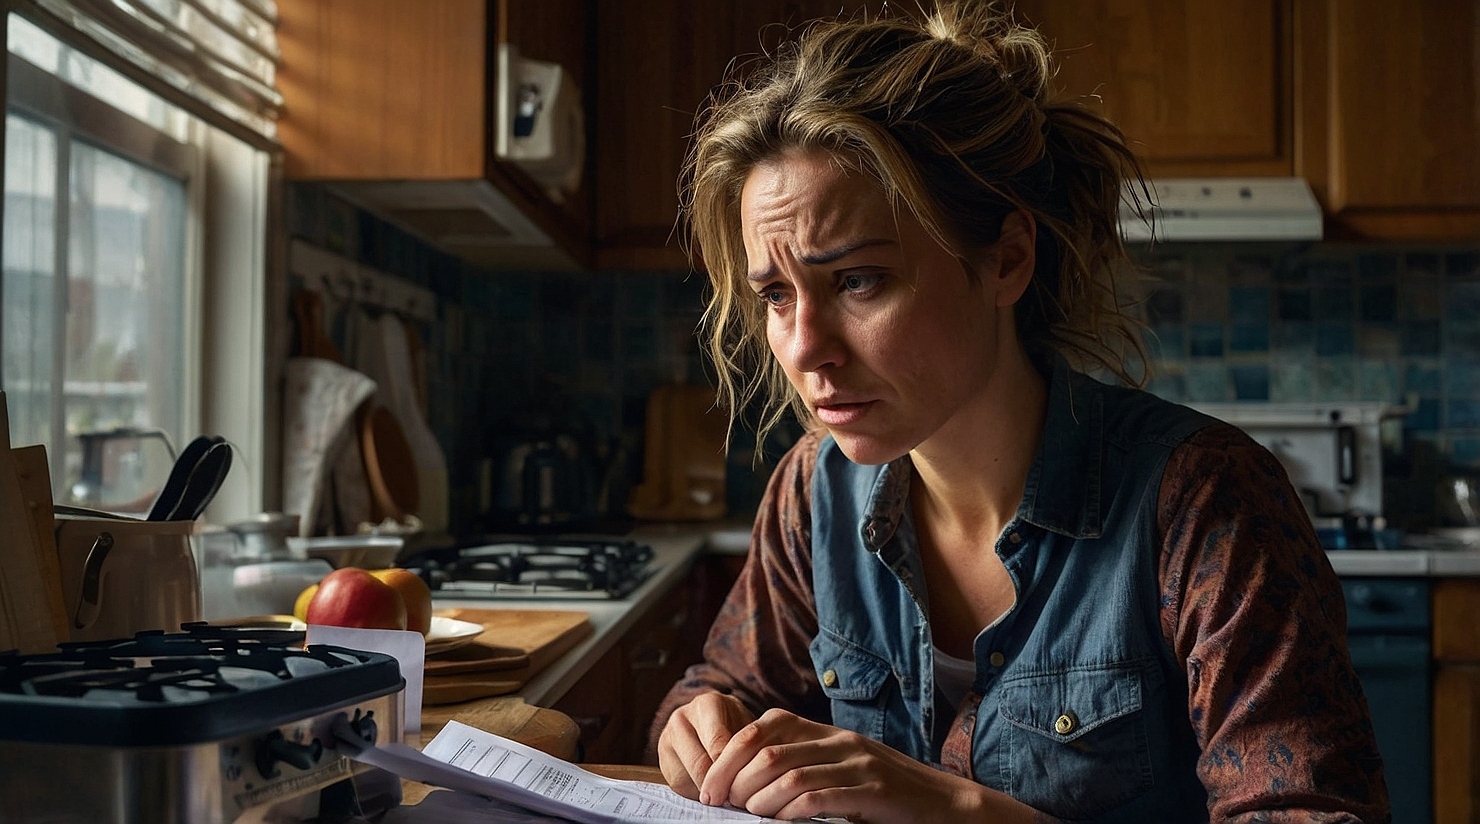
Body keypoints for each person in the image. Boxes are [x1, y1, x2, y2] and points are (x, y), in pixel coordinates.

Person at [648, 3, 1391, 823]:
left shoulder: (1207, 502)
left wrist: (966, 812)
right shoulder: (809, 496)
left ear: (1005, 260)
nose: (803, 348)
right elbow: (722, 687)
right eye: (776, 295)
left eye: (858, 281)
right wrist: (699, 725)